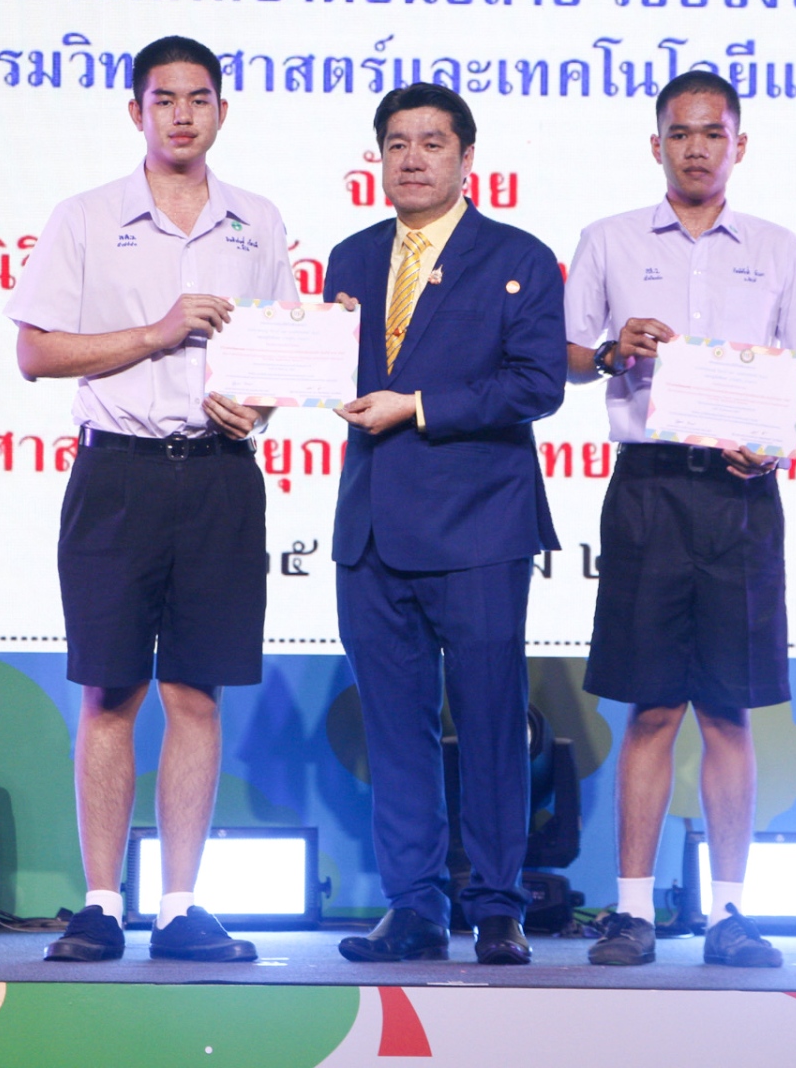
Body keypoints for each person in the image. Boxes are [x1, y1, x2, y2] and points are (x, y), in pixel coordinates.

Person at [5, 35, 298, 963]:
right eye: (163, 99)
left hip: (218, 474)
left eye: (198, 98)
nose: (181, 114)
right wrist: (157, 332)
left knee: (196, 693)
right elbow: (36, 352)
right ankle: (100, 905)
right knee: (110, 690)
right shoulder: (87, 218)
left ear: (222, 111)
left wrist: (259, 405)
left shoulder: (258, 221)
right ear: (136, 112)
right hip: (118, 474)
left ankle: (179, 908)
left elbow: (284, 355)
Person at [564, 70, 796, 968]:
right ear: (656, 145)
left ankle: (730, 914)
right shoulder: (608, 240)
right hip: (649, 488)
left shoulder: (778, 249)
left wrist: (778, 437)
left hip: (739, 493)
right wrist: (613, 351)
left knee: (728, 709)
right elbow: (566, 355)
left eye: (712, 133)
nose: (696, 148)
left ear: (738, 144)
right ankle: (632, 912)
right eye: (680, 133)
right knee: (652, 708)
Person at [326, 83, 566, 966]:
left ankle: (498, 907)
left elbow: (537, 384)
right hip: (372, 531)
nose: (413, 159)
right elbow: (327, 369)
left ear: (467, 158)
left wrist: (419, 404)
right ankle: (415, 907)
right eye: (397, 143)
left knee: (493, 724)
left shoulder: (518, 256)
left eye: (432, 143)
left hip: (479, 529)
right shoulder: (351, 258)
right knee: (395, 729)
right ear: (378, 158)